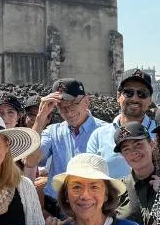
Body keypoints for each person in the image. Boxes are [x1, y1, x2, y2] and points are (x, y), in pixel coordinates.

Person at [26, 78, 106, 206]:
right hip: (57, 207)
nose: (68, 111)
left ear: (86, 101)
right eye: (61, 107)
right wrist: (40, 118)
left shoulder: (106, 131)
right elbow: (30, 160)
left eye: (73, 104)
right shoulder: (52, 131)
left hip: (92, 206)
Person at [87, 69, 158, 179]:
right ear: (118, 96)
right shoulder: (98, 136)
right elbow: (91, 177)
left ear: (150, 100)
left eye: (142, 94)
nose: (135, 98)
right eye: (128, 93)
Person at [115, 122, 160, 225]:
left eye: (138, 144)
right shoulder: (117, 190)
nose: (133, 152)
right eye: (126, 149)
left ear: (152, 144)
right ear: (122, 155)